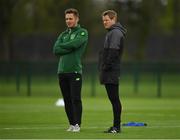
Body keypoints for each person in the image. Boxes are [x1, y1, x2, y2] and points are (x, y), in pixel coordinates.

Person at [53, 8, 88, 132]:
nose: (68, 21)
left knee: (75, 98)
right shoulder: (63, 34)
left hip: (74, 71)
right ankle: (72, 124)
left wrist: (65, 45)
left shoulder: (82, 32)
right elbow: (56, 50)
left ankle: (77, 124)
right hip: (62, 71)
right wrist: (68, 46)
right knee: (67, 100)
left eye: (70, 18)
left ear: (77, 19)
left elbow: (75, 44)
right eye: (66, 19)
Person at [98, 10, 126, 133]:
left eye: (107, 20)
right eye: (103, 20)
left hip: (111, 71)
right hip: (110, 70)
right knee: (114, 99)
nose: (104, 22)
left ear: (113, 19)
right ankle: (116, 126)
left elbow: (113, 52)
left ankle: (116, 127)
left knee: (114, 99)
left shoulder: (115, 32)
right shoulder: (112, 32)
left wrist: (105, 66)